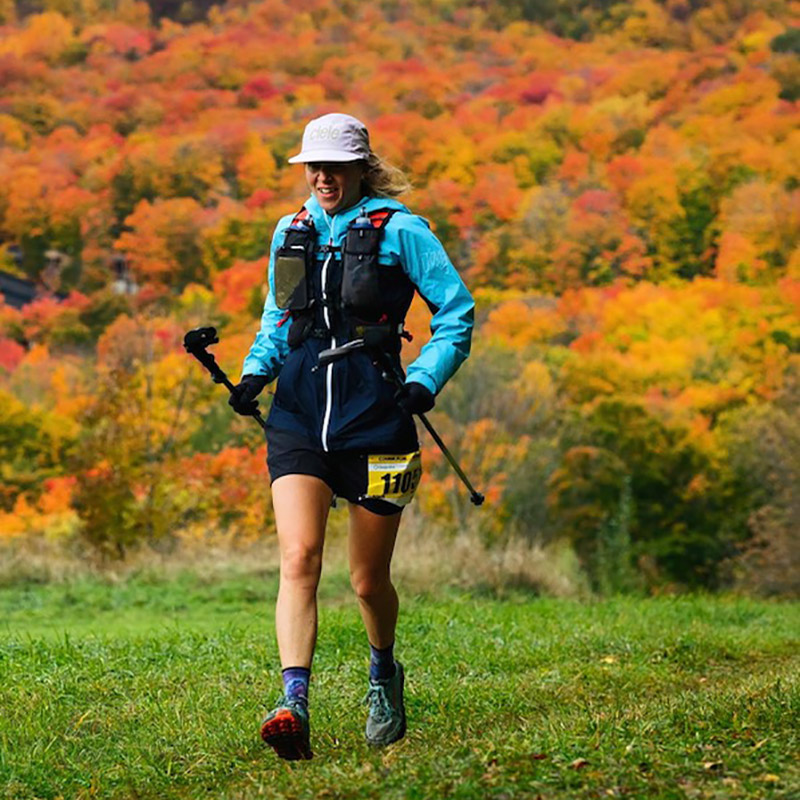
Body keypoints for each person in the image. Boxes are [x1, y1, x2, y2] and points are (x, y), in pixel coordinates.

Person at [229, 112, 474, 761]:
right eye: (313, 166)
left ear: (360, 169)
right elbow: (278, 319)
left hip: (378, 418)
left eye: (334, 167)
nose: (321, 177)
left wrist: (425, 379)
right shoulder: (292, 231)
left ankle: (383, 674)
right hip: (300, 414)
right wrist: (255, 373)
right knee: (298, 557)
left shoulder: (403, 231)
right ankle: (293, 702)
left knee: (367, 581)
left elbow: (456, 314)